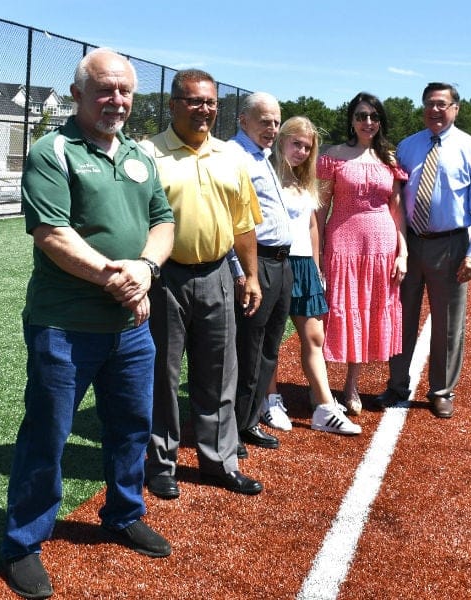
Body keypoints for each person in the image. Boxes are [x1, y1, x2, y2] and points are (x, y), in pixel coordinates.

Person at [1, 48, 175, 600]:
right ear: (77, 93)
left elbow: (163, 223)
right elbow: (51, 234)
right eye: (104, 89)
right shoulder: (52, 151)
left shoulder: (140, 156)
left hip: (130, 327)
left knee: (129, 426)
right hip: (64, 325)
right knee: (47, 435)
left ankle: (123, 513)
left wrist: (145, 269)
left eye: (124, 90)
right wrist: (116, 278)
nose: (116, 100)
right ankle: (23, 543)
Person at [139, 69, 264, 498]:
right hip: (164, 279)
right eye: (194, 101)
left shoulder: (231, 156)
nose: (204, 109)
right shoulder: (147, 154)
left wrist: (250, 275)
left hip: (217, 276)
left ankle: (219, 461)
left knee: (219, 374)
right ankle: (160, 464)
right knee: (162, 376)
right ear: (173, 104)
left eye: (210, 102)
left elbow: (243, 223)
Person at [376, 82, 471, 419]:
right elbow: (395, 198)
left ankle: (441, 390)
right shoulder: (408, 147)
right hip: (410, 243)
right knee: (401, 317)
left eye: (442, 104)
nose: (435, 110)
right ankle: (397, 384)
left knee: (447, 323)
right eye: (429, 103)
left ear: (455, 108)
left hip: (451, 244)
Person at [264, 116, 361, 435]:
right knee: (271, 338)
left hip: (304, 266)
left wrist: (318, 265)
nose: (302, 151)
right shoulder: (265, 174)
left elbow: (311, 225)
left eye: (308, 147)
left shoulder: (306, 180)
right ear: (281, 140)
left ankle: (323, 407)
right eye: (296, 144)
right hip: (276, 261)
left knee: (314, 337)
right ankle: (270, 400)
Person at [316, 92, 408, 415]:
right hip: (343, 245)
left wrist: (403, 252)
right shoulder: (333, 156)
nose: (367, 122)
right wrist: (319, 253)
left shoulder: (390, 160)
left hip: (382, 248)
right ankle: (321, 386)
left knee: (365, 312)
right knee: (334, 312)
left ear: (380, 121)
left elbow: (397, 209)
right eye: (360, 116)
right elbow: (320, 209)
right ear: (351, 120)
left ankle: (351, 385)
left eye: (372, 116)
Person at [227, 92, 293, 455]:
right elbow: (230, 221)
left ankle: (249, 420)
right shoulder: (234, 156)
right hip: (258, 263)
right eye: (265, 120)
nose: (272, 128)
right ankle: (232, 429)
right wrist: (241, 271)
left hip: (280, 264)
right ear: (244, 120)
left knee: (268, 349)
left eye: (276, 121)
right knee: (247, 350)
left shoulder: (263, 156)